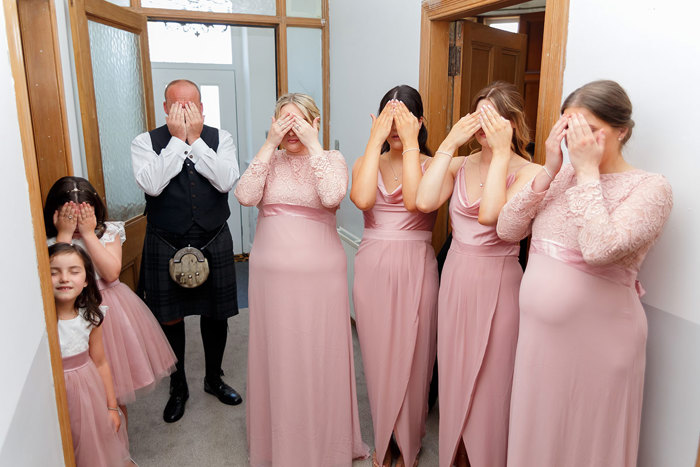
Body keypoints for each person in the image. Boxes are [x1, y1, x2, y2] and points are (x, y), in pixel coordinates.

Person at [497, 80, 673, 467]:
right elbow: (507, 229)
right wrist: (549, 167)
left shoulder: (650, 188)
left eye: (588, 130)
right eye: (569, 128)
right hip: (540, 341)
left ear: (622, 130)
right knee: (539, 433)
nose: (577, 141)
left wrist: (588, 173)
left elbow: (599, 249)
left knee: (586, 441)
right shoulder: (561, 178)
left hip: (602, 343)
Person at [235, 93, 368, 467]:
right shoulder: (267, 160)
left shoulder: (333, 161)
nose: (290, 129)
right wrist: (268, 144)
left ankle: (325, 442)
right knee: (278, 353)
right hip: (270, 280)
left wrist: (313, 145)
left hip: (319, 279)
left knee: (317, 352)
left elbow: (331, 196)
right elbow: (245, 196)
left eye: (298, 121)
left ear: (316, 122)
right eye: (283, 121)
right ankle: (279, 442)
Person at [413, 82, 541, 467]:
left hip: (500, 282)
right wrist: (450, 143)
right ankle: (455, 455)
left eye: (493, 116)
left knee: (491, 380)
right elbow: (423, 201)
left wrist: (502, 153)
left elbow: (496, 219)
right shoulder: (459, 164)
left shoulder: (531, 172)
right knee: (452, 371)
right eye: (478, 114)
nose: (483, 124)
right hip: (455, 277)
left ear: (513, 123)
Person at [131, 79, 241, 423]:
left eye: (190, 105)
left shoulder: (220, 138)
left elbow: (225, 181)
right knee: (170, 317)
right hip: (165, 240)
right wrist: (178, 141)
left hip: (213, 238)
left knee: (215, 313)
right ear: (165, 108)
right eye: (176, 106)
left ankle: (213, 378)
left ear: (202, 108)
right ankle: (178, 386)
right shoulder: (144, 142)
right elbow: (152, 184)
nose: (183, 111)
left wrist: (195, 140)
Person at [350, 85, 438, 467]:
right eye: (389, 117)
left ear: (419, 122)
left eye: (404, 118)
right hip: (372, 267)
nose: (395, 127)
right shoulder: (365, 160)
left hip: (416, 264)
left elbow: (416, 202)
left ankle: (409, 443)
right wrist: (375, 143)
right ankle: (384, 437)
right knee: (377, 355)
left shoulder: (436, 166)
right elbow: (364, 200)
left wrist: (411, 142)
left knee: (416, 357)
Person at [44, 176, 176, 420]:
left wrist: (88, 235)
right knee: (80, 394)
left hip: (109, 314)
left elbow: (111, 272)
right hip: (69, 316)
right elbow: (51, 275)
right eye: (70, 216)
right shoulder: (51, 243)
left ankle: (118, 447)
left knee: (112, 389)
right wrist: (64, 235)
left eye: (84, 215)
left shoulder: (108, 233)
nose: (77, 223)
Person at [50, 242, 131, 467]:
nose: (64, 278)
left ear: (86, 280)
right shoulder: (41, 323)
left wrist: (112, 407)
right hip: (53, 392)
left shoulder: (91, 317)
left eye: (73, 271)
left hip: (87, 392)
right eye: (53, 273)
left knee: (90, 444)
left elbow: (101, 362)